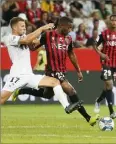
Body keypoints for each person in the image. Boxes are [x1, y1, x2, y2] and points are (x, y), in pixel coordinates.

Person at [12, 16, 99, 126]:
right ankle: (89, 118)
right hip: (52, 70)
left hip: (62, 70)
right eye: (69, 28)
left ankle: (22, 91)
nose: (70, 30)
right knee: (70, 91)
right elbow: (33, 48)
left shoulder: (68, 39)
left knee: (46, 94)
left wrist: (78, 70)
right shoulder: (48, 35)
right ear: (62, 26)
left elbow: (71, 54)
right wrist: (29, 38)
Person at [0, 17, 80, 115]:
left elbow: (35, 42)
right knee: (2, 100)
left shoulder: (24, 36)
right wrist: (42, 28)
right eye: (22, 26)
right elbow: (26, 40)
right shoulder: (10, 38)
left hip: (29, 75)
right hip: (17, 75)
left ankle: (67, 107)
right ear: (14, 28)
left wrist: (50, 37)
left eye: (25, 26)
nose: (24, 28)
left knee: (55, 82)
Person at [93, 14, 116, 119]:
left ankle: (98, 100)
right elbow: (95, 45)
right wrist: (101, 53)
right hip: (106, 62)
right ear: (109, 22)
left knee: (107, 87)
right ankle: (112, 111)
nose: (114, 22)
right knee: (110, 85)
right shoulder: (104, 34)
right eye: (112, 20)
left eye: (115, 20)